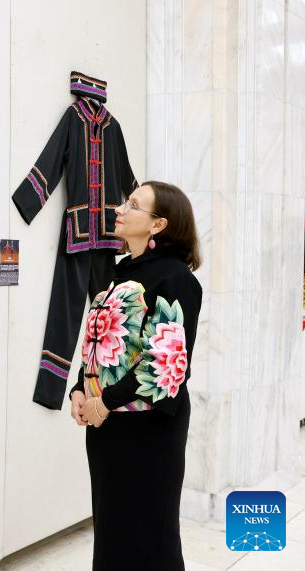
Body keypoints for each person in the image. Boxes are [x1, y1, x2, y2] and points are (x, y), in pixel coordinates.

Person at [69, 181, 203, 570]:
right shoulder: (119, 272)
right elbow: (98, 341)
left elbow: (164, 366)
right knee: (113, 532)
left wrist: (103, 403)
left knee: (149, 537)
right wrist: (80, 389)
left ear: (158, 224)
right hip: (107, 426)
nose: (120, 209)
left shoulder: (176, 279)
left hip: (147, 430)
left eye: (133, 205)